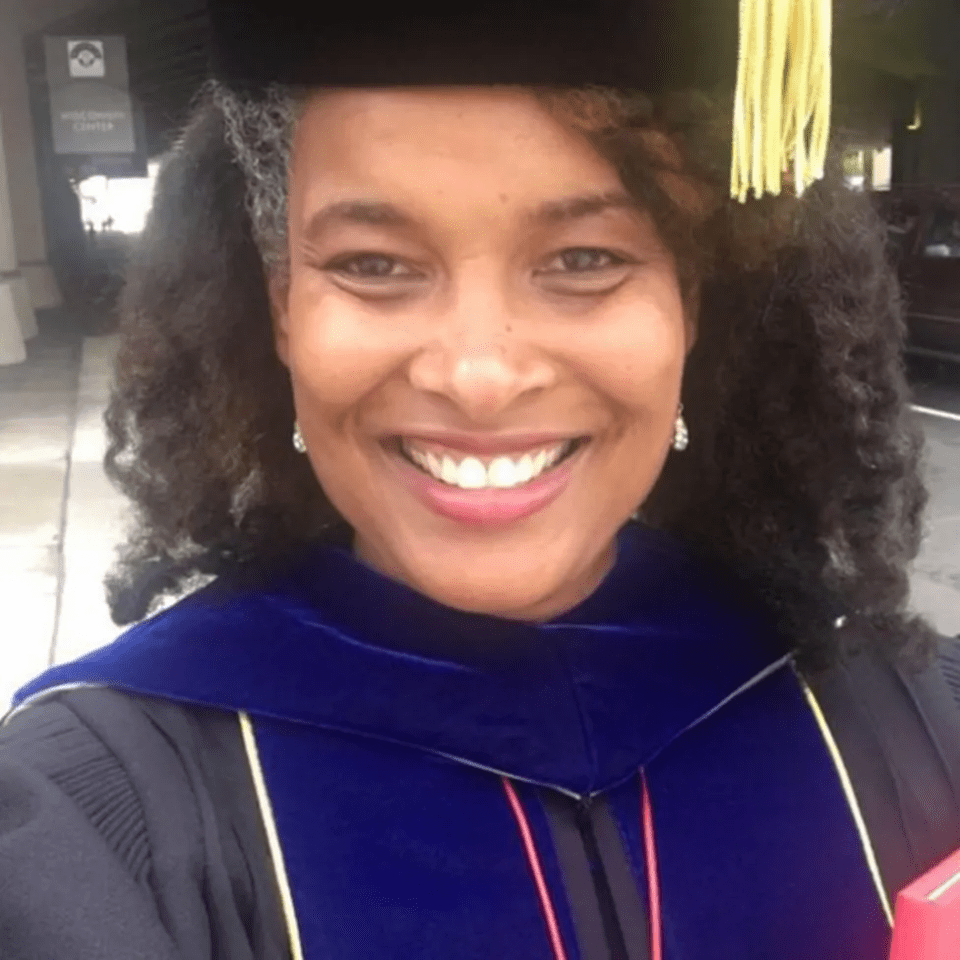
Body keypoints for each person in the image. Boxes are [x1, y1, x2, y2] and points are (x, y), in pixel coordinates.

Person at [2, 1, 959, 958]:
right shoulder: (96, 820)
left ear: (693, 303)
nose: (480, 376)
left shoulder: (916, 729)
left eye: (586, 259)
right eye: (374, 263)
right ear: (281, 303)